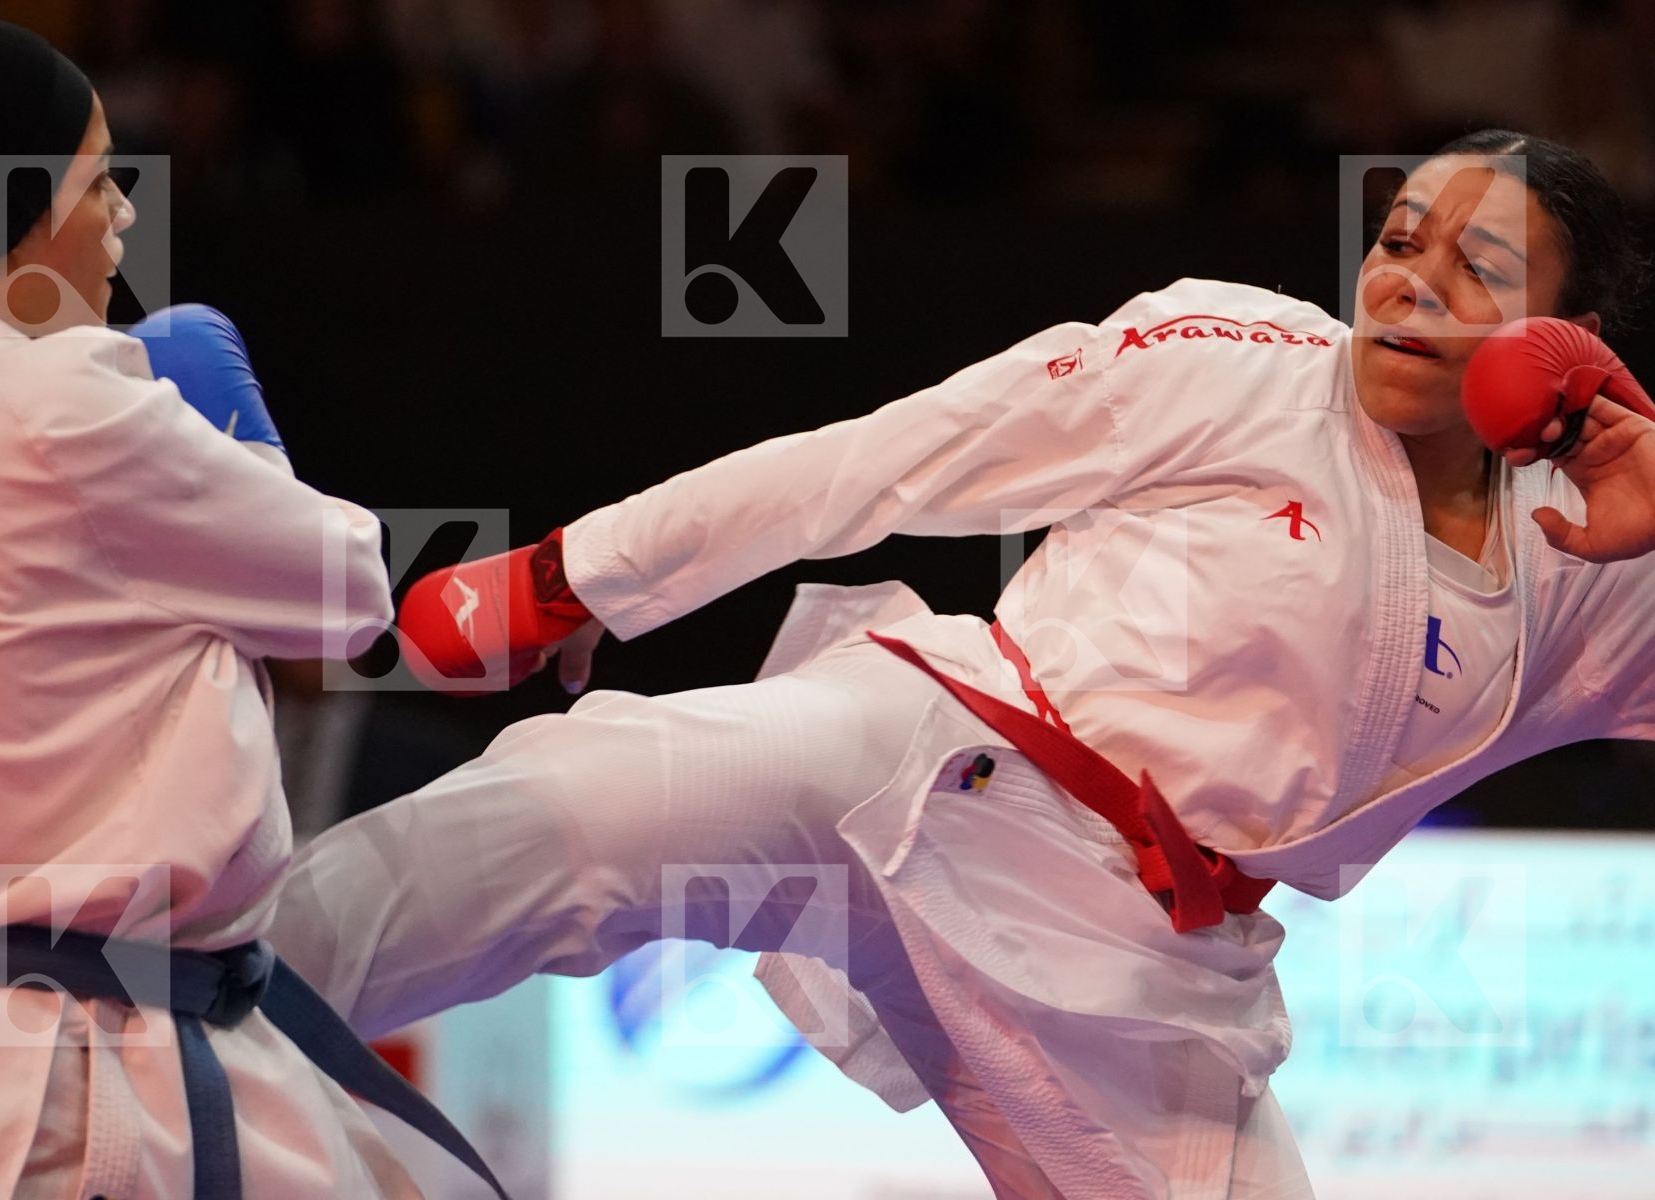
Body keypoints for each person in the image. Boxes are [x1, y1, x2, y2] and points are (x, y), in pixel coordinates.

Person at [270, 131, 1655, 1198]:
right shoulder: (1242, 357)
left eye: (1477, 268)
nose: (1408, 277)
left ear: (1570, 344)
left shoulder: (1586, 564)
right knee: (577, 808)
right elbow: (885, 458)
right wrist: (574, 573)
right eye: (1400, 236)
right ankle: (171, 1009)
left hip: (1147, 964)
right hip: (936, 761)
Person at [0, 18, 497, 1200]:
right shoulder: (66, 403)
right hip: (81, 1089)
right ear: (18, 202)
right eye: (98, 180)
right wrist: (237, 430)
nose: (124, 216)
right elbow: (345, 595)